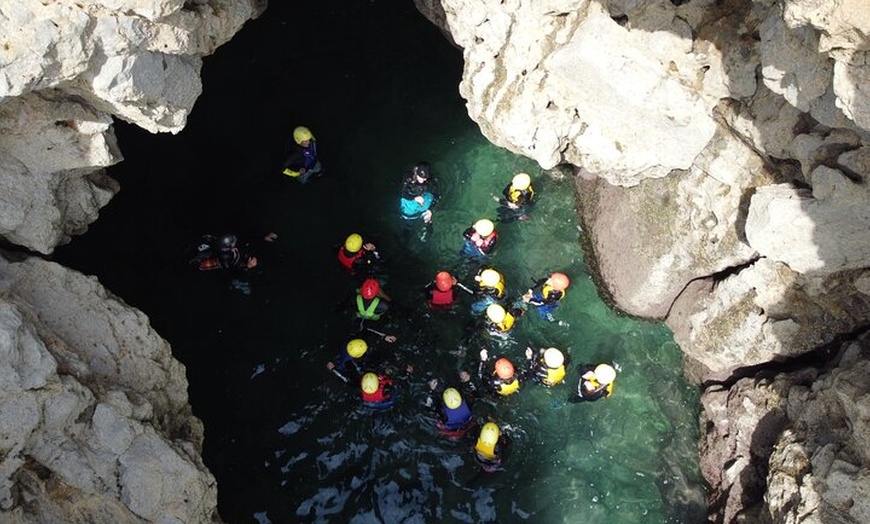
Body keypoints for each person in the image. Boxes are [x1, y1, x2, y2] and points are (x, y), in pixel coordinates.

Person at [326, 335, 397, 385]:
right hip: (364, 372)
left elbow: (347, 380)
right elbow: (349, 381)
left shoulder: (353, 346)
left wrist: (384, 337)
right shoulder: (351, 365)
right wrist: (334, 370)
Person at [399, 162, 438, 242]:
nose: (424, 180)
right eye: (422, 177)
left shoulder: (429, 180)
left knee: (427, 214)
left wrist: (430, 210)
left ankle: (428, 224)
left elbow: (436, 196)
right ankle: (408, 228)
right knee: (408, 215)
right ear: (416, 173)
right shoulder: (408, 178)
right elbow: (403, 193)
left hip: (424, 196)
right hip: (410, 198)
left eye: (426, 178)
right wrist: (414, 198)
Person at [189, 233, 258, 271]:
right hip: (203, 259)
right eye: (233, 243)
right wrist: (247, 267)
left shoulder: (210, 238)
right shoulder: (225, 258)